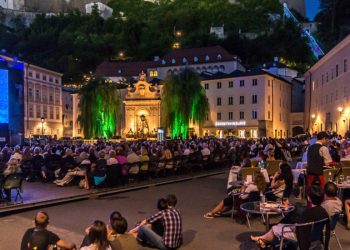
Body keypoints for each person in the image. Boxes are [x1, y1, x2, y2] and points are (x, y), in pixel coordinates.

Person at [250, 185, 330, 250]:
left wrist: (291, 226)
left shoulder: (307, 213)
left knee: (275, 227)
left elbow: (299, 229)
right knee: (279, 226)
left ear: (309, 198)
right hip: (315, 237)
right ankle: (262, 240)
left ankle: (260, 239)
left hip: (302, 237)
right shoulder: (323, 211)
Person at [306, 132, 332, 197]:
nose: (326, 141)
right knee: (320, 194)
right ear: (323, 139)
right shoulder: (323, 148)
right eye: (326, 140)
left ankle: (310, 206)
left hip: (309, 173)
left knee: (310, 193)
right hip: (319, 174)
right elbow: (328, 163)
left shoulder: (309, 148)